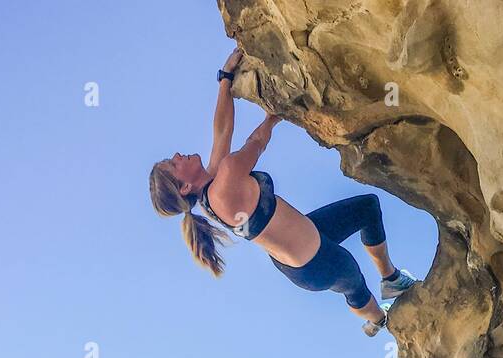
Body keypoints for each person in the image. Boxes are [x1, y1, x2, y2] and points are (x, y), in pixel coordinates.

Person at [148, 47, 417, 337]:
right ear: (185, 186)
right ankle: (378, 321)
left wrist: (225, 79)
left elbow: (222, 130)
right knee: (355, 283)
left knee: (368, 208)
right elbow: (256, 143)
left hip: (308, 231)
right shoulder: (223, 183)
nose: (177, 154)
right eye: (173, 164)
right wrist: (274, 115)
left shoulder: (212, 187)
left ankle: (390, 279)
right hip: (312, 264)